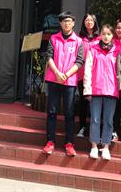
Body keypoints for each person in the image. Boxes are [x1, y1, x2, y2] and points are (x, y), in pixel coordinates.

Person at [83, 24, 121, 160]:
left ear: (112, 36)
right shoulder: (93, 49)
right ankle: (94, 146)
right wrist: (87, 89)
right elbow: (87, 70)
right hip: (96, 90)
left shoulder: (118, 50)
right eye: (104, 34)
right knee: (95, 120)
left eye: (109, 34)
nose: (106, 37)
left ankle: (106, 147)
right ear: (100, 35)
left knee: (108, 120)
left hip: (111, 91)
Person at [43, 11, 83, 157]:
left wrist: (66, 75)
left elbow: (79, 61)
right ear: (60, 23)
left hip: (69, 81)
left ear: (73, 23)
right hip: (54, 79)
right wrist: (57, 73)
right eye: (64, 21)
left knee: (69, 112)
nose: (67, 24)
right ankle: (50, 141)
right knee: (52, 111)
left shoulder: (78, 41)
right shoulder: (54, 38)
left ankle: (69, 143)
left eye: (69, 21)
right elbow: (49, 56)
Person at [76, 13, 100, 138]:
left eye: (91, 20)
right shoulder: (79, 38)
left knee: (96, 102)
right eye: (87, 20)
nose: (89, 22)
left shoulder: (100, 38)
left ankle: (95, 128)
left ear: (95, 22)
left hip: (96, 75)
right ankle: (82, 126)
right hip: (82, 74)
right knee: (83, 100)